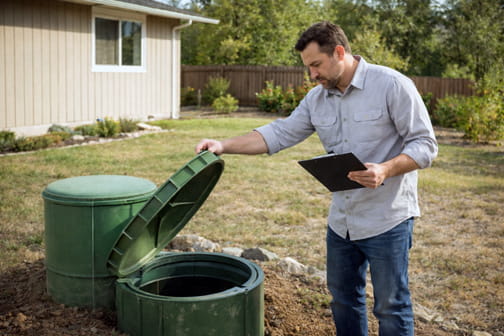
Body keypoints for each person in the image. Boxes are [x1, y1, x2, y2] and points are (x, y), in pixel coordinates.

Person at [195, 21, 438, 336]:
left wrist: (385, 169)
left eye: (316, 65)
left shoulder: (391, 84)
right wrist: (222, 145)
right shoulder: (316, 99)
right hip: (342, 223)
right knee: (343, 301)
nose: (312, 75)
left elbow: (425, 145)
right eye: (308, 67)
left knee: (391, 307)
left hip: (387, 219)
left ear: (339, 52)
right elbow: (279, 133)